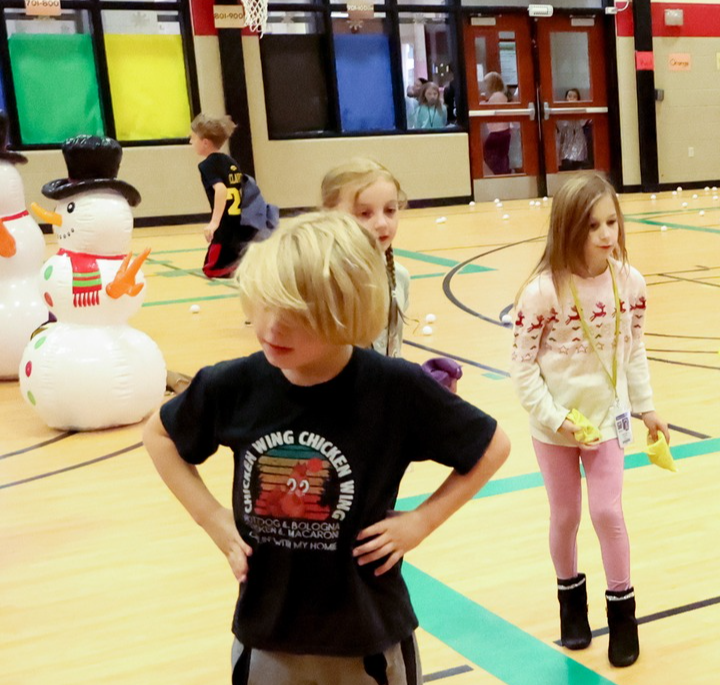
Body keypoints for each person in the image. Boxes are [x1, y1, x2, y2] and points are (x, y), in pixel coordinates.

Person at [141, 212, 510, 685]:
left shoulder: (393, 387)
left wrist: (423, 520)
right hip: (268, 633)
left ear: (346, 313)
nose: (272, 327)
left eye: (297, 316)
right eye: (266, 305)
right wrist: (213, 519)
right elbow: (159, 434)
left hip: (367, 636)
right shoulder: (234, 383)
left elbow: (492, 445)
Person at [509, 174, 668, 668]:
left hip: (608, 423)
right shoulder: (541, 292)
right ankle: (570, 607)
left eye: (611, 222)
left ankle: (622, 612)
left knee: (607, 513)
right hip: (555, 430)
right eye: (592, 225)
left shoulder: (630, 283)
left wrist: (646, 406)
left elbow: (633, 348)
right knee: (566, 516)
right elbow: (522, 367)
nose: (605, 234)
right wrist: (555, 420)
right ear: (567, 229)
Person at [320, 159, 410, 359]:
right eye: (364, 213)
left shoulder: (400, 278)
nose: (381, 223)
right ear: (329, 214)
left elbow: (392, 353)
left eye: (390, 210)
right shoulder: (321, 282)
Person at [190, 115, 259, 279]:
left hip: (225, 228)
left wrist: (214, 223)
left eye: (193, 139)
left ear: (205, 142)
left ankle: (241, 267)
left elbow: (221, 190)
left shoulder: (207, 165)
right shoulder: (230, 162)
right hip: (240, 224)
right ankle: (245, 262)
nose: (190, 143)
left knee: (211, 270)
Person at [481, 73, 513, 175]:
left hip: (498, 132)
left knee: (493, 156)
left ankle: (501, 175)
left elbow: (488, 109)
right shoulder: (501, 95)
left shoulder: (497, 96)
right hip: (502, 132)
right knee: (500, 157)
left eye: (486, 83)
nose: (484, 86)